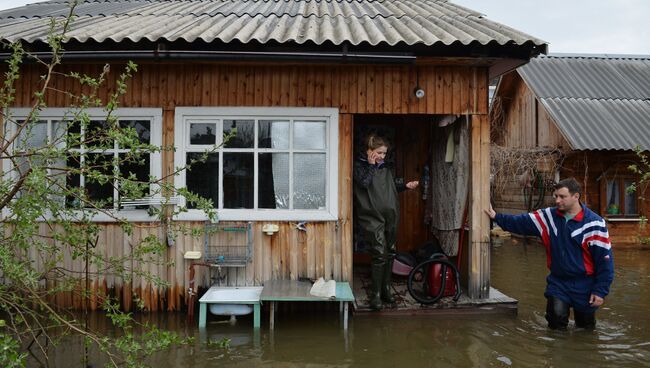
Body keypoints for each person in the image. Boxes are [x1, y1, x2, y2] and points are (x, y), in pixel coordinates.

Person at [485, 178, 614, 330]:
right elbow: (521, 222)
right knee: (555, 322)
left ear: (576, 196)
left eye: (562, 196)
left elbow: (605, 261)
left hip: (585, 284)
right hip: (558, 282)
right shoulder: (548, 217)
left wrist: (600, 291)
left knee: (585, 329)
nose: (557, 200)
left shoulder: (595, 224)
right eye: (555, 196)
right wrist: (496, 217)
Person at [353, 134, 419, 310]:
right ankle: (375, 295)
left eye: (384, 153)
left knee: (390, 252)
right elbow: (365, 183)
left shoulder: (386, 167)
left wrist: (405, 186)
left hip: (391, 215)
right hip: (371, 216)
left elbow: (391, 187)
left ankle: (386, 290)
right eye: (379, 152)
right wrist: (371, 164)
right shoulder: (359, 166)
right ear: (369, 150)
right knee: (379, 253)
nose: (382, 156)